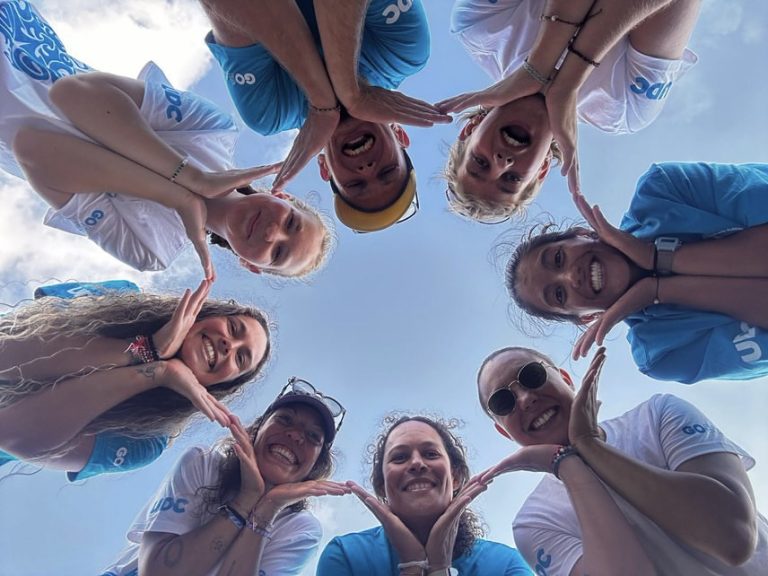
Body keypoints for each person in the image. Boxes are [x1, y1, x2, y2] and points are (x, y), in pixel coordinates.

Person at [1, 0, 331, 278]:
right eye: (291, 222)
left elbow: (31, 147)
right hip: (13, 36)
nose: (272, 233)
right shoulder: (212, 131)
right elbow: (71, 93)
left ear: (251, 266)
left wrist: (177, 196)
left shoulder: (150, 249)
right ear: (283, 197)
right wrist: (191, 177)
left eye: (277, 253)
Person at [476, 345, 768, 575]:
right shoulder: (533, 522)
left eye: (531, 376)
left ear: (565, 378)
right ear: (503, 431)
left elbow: (734, 537)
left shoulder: (657, 416)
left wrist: (590, 445)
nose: (525, 399)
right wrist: (567, 462)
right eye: (503, 402)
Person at [199, 0, 450, 232]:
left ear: (324, 168)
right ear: (400, 135)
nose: (366, 169)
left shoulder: (270, 112)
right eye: (387, 172)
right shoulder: (403, 53)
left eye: (355, 185)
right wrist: (350, 92)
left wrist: (322, 102)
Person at [439, 0, 700, 223]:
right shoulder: (622, 110)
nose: (501, 162)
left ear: (471, 128)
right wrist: (568, 82)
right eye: (512, 179)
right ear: (542, 168)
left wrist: (538, 69)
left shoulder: (479, 26)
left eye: (480, 162)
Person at [506, 162, 768, 383]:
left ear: (582, 233)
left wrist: (656, 257)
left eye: (558, 258)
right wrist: (660, 290)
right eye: (559, 294)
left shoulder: (663, 189)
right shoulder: (660, 353)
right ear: (587, 318)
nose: (571, 277)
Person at [0, 279, 270, 481]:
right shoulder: (120, 297)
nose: (229, 345)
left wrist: (155, 373)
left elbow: (10, 432)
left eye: (240, 358)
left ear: (220, 386)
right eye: (233, 328)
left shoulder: (147, 441)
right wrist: (146, 349)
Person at [101, 377, 348, 576]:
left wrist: (266, 511)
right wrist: (245, 500)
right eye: (285, 419)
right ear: (257, 430)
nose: (295, 435)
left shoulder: (300, 531)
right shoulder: (203, 463)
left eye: (313, 436)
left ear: (316, 466)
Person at [317, 415, 531, 575]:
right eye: (399, 457)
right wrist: (413, 568)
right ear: (381, 486)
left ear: (455, 477)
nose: (417, 463)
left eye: (430, 454)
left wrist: (439, 570)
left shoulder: (506, 564)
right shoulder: (347, 555)